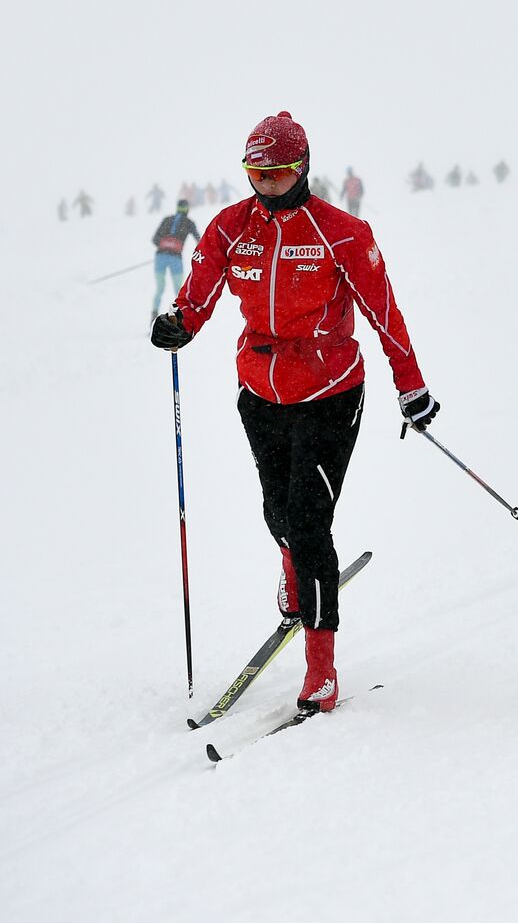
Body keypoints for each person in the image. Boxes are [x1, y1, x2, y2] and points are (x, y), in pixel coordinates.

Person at [149, 111, 440, 714]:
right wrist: (179, 323)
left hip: (331, 391)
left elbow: (386, 313)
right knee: (277, 510)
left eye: (280, 171)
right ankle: (291, 569)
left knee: (309, 523)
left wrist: (410, 386)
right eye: (258, 172)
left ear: (303, 166)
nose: (269, 182)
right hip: (260, 392)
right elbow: (197, 293)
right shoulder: (231, 229)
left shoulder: (343, 233)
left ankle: (322, 668)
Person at [150, 197, 201, 318]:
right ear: (187, 209)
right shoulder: (189, 223)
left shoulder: (167, 219)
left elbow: (155, 239)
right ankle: (179, 318)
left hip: (160, 256)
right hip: (175, 258)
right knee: (179, 291)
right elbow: (200, 241)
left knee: (159, 289)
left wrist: (166, 245)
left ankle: (153, 317)